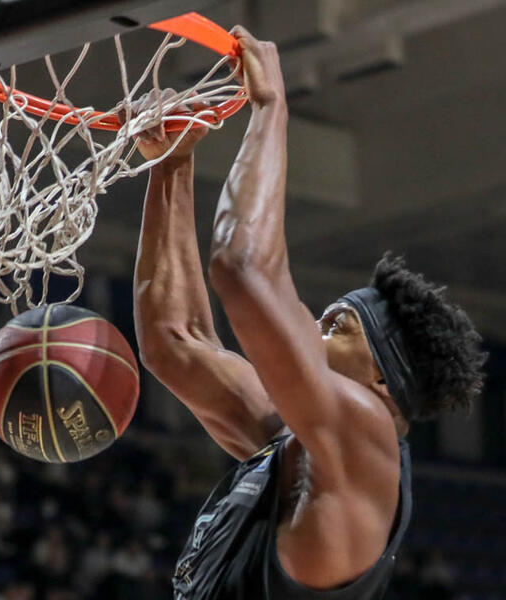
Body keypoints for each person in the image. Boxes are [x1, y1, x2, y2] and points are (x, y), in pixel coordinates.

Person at [129, 25, 486, 600]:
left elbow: (243, 268)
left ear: (381, 381)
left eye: (335, 326)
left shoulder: (365, 437)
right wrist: (172, 164)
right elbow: (177, 341)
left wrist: (271, 107)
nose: (309, 330)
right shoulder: (296, 443)